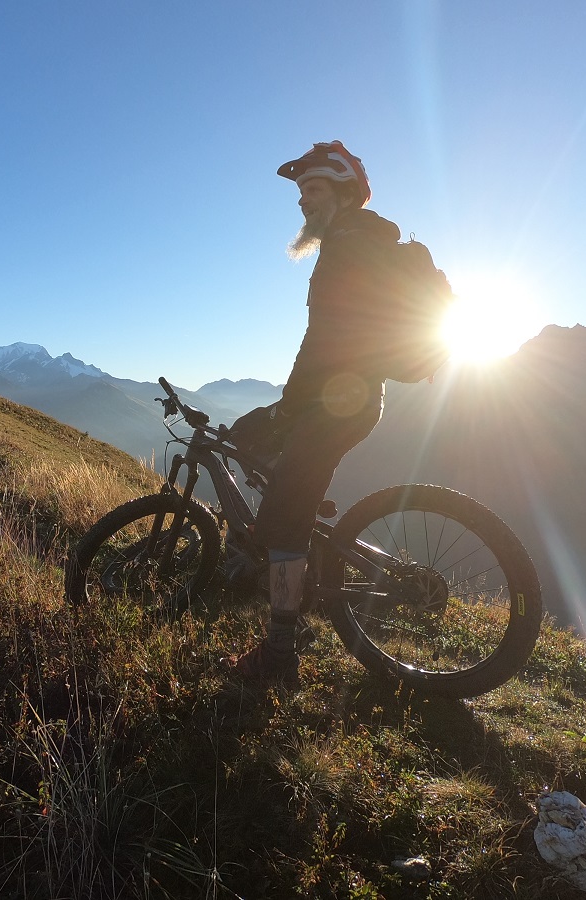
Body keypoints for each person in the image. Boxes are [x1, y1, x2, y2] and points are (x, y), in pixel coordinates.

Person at [229, 141, 401, 682]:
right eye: (301, 192)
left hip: (338, 404)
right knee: (248, 440)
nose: (304, 201)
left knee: (284, 519)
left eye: (315, 189)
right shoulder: (353, 242)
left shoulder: (348, 246)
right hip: (339, 398)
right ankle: (287, 535)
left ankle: (281, 650)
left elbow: (323, 341)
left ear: (345, 191)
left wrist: (288, 407)